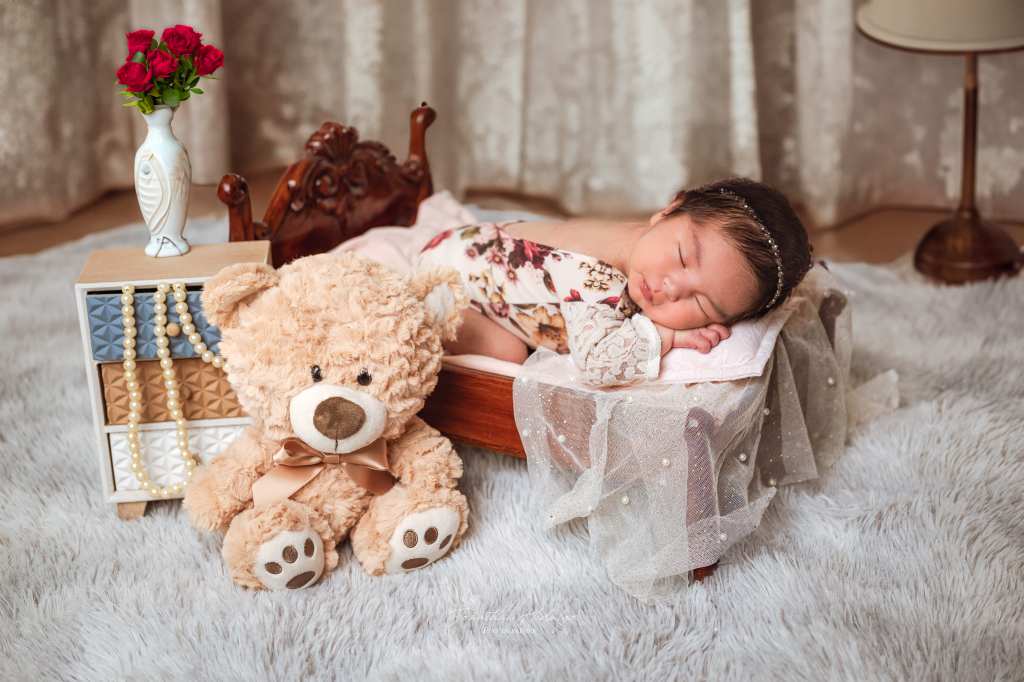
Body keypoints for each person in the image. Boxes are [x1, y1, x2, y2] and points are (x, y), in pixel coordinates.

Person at [415, 177, 814, 387]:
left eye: (701, 303)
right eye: (681, 257)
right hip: (448, 281)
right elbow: (596, 361)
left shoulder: (643, 238)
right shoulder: (598, 280)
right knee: (510, 354)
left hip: (469, 243)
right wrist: (665, 337)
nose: (672, 287)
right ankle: (415, 314)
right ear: (669, 210)